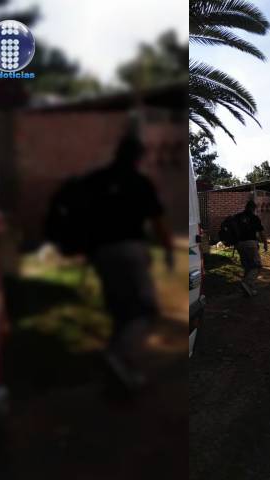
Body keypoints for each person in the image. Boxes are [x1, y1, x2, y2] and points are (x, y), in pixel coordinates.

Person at [84, 132, 173, 391]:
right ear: (137, 158)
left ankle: (120, 366)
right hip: (129, 249)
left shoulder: (97, 180)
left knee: (119, 309)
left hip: (101, 252)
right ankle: (115, 355)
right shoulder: (140, 182)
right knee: (146, 310)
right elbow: (157, 221)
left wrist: (88, 251)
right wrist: (167, 249)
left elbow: (84, 216)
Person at [234, 199, 268, 296]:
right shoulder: (254, 218)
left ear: (246, 207)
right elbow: (261, 233)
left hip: (239, 244)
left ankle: (248, 290)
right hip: (250, 244)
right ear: (254, 208)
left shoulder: (237, 217)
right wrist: (265, 243)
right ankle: (246, 283)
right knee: (257, 266)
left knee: (247, 267)